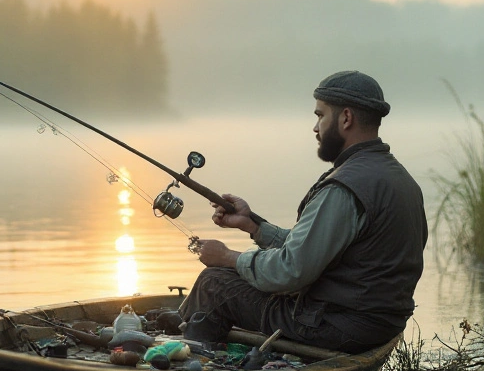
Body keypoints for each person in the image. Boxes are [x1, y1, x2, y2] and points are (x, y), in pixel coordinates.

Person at [179, 70, 427, 354]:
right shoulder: (400, 179)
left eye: (320, 115)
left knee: (214, 283)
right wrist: (253, 227)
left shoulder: (344, 188)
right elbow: (315, 249)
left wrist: (227, 258)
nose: (315, 127)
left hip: (338, 325)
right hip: (378, 326)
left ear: (346, 118)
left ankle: (189, 364)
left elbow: (289, 271)